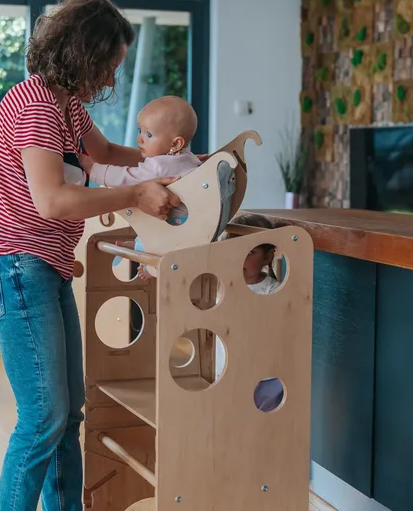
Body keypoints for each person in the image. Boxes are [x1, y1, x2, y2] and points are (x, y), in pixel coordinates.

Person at [0, 0, 188, 511]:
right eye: (110, 64)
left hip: (38, 269)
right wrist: (137, 194)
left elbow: (106, 154)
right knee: (44, 417)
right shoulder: (35, 107)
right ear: (86, 55)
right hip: (14, 271)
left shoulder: (62, 102)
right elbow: (54, 200)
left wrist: (175, 165)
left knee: (68, 415)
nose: (112, 76)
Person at [80, 95, 201, 279]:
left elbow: (128, 178)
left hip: (174, 232)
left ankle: (146, 257)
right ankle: (137, 245)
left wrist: (93, 169)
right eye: (140, 131)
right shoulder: (189, 158)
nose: (140, 140)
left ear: (176, 143)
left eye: (149, 135)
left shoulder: (161, 166)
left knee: (152, 231)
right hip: (190, 228)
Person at [215, 214, 284, 412]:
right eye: (235, 250)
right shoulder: (222, 285)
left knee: (261, 430)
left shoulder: (273, 290)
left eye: (250, 252)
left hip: (265, 378)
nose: (241, 258)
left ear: (268, 256)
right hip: (226, 372)